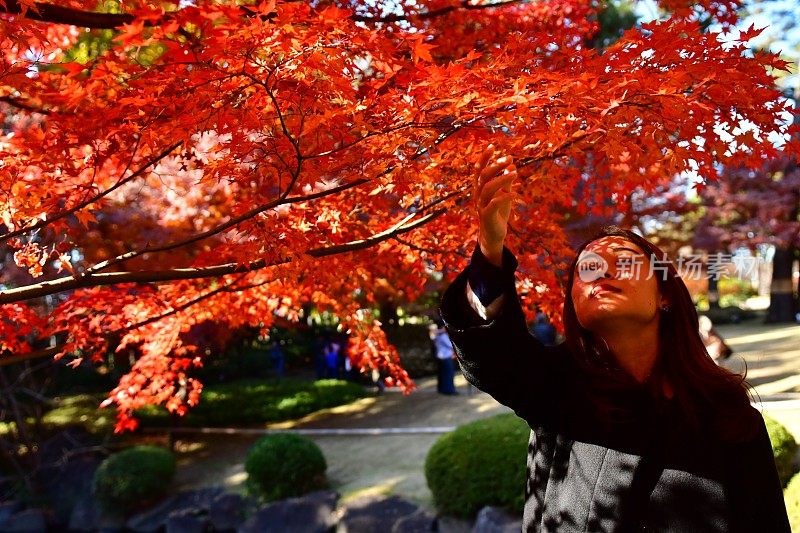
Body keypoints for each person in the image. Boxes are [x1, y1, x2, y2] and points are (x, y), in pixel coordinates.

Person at [438, 146, 790, 532]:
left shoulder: (730, 419)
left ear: (665, 294)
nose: (601, 274)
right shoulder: (553, 389)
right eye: (587, 269)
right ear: (573, 304)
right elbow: (492, 355)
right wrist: (490, 254)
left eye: (624, 262)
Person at [431, 321, 459, 395]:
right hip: (445, 357)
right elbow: (451, 345)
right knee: (449, 373)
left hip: (441, 357)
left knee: (442, 374)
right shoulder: (442, 336)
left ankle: (442, 389)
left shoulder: (437, 335)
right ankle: (449, 390)